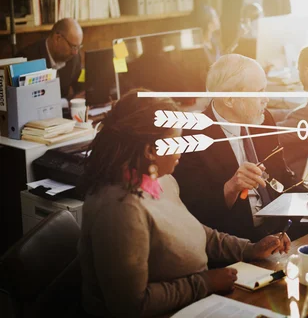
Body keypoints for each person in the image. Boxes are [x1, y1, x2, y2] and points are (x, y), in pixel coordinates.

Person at [77, 89, 290, 318]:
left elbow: (195, 231)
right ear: (150, 151)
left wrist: (250, 249)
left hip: (195, 303)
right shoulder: (121, 209)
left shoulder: (161, 180)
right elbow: (131, 305)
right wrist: (205, 283)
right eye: (176, 141)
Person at [174, 54, 308, 242]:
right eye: (259, 92)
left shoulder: (262, 119)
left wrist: (306, 193)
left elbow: (281, 174)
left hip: (279, 229)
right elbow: (197, 212)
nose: (266, 99)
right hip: (235, 239)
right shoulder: (191, 137)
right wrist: (231, 187)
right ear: (229, 99)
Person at [277, 44, 308, 177]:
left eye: (299, 70)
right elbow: (295, 114)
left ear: (307, 72)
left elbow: (271, 133)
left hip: (293, 174)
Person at [17, 18, 82, 99]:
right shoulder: (28, 59)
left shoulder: (74, 57)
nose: (75, 52)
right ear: (57, 38)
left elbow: (80, 82)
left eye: (78, 47)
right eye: (73, 46)